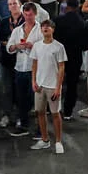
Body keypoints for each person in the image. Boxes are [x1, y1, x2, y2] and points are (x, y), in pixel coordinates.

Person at [29, 20, 67, 155]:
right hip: (40, 85)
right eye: (43, 26)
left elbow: (61, 68)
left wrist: (58, 87)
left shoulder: (59, 47)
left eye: (48, 26)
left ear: (53, 29)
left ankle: (58, 141)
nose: (45, 28)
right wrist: (34, 81)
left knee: (55, 113)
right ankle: (45, 139)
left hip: (52, 85)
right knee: (40, 112)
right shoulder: (37, 46)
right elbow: (34, 64)